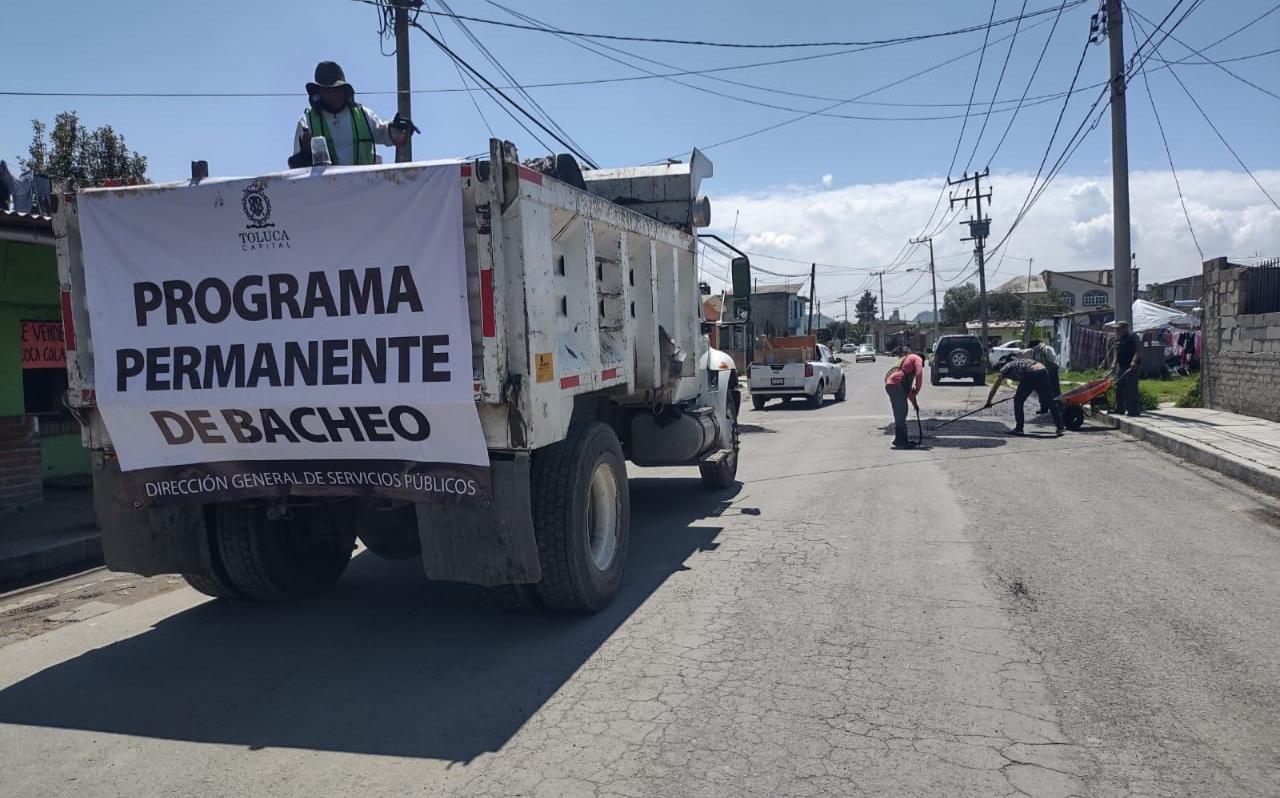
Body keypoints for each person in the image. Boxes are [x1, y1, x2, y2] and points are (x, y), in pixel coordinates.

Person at [288, 61, 417, 168]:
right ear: (319, 92)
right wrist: (302, 161)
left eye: (337, 89)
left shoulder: (363, 115)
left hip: (363, 192)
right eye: (327, 90)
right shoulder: (307, 123)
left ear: (345, 90)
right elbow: (297, 173)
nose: (333, 95)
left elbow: (384, 133)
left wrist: (398, 130)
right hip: (325, 195)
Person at [983, 357, 1064, 436]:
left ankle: (1019, 428)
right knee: (1049, 401)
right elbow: (1029, 382)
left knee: (1018, 400)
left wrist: (988, 402)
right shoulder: (1017, 362)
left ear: (999, 367)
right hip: (1043, 371)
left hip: (1031, 373)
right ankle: (1060, 427)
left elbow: (995, 387)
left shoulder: (1004, 368)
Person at [884, 345, 924, 449]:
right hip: (896, 384)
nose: (921, 365)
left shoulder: (907, 365)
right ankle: (900, 440)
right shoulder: (917, 358)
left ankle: (902, 439)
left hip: (893, 384)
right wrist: (918, 388)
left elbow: (908, 391)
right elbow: (919, 374)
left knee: (901, 412)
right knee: (901, 413)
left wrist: (915, 404)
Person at [1022, 339, 1060, 414]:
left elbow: (1054, 361)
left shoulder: (1048, 349)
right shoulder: (1034, 352)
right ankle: (1043, 408)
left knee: (1054, 390)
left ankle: (1058, 407)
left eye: (1033, 347)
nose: (1032, 348)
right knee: (1041, 390)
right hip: (1041, 373)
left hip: (1051, 372)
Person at [1113, 321, 1143, 417]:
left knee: (1131, 389)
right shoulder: (1119, 339)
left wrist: (1134, 361)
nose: (1117, 330)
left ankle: (1133, 410)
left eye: (1119, 328)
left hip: (1131, 367)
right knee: (1119, 388)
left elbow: (1138, 349)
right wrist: (1114, 363)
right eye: (1116, 329)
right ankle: (1119, 408)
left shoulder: (1132, 337)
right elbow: (1116, 352)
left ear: (1125, 328)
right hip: (1121, 366)